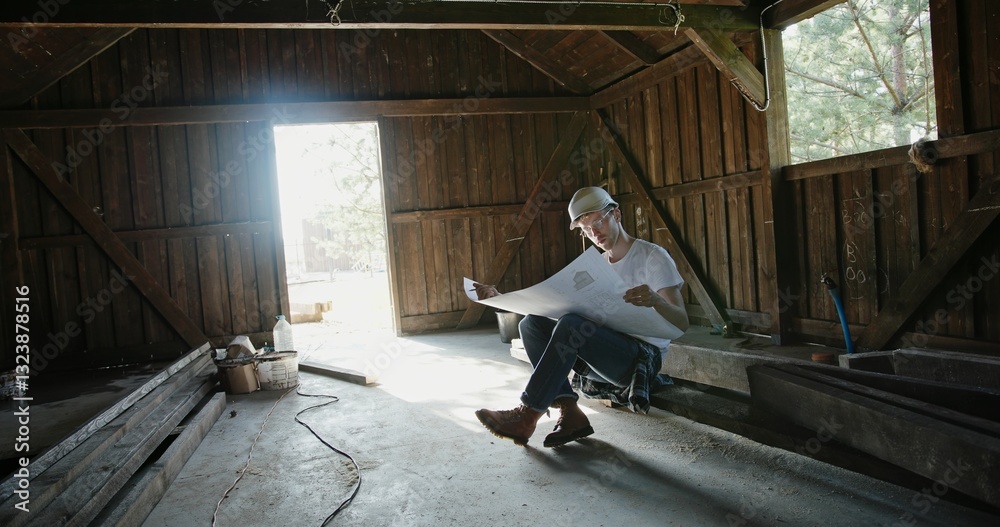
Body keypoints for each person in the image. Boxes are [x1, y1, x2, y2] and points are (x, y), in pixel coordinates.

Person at [472, 186, 689, 447]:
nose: (594, 233)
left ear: (617, 215)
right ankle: (571, 413)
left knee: (572, 325)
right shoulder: (596, 266)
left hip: (640, 360)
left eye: (598, 222)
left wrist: (655, 300)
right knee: (531, 324)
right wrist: (501, 298)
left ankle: (528, 414)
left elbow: (681, 323)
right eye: (586, 229)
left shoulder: (652, 257)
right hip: (602, 356)